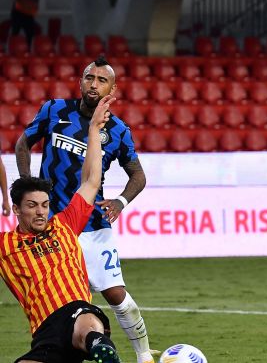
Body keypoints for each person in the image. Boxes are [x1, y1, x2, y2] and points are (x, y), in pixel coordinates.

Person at [14, 56, 155, 363]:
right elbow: (23, 144)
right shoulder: (53, 110)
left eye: (101, 80)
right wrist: (28, 186)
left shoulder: (117, 131)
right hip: (52, 225)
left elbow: (139, 175)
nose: (94, 84)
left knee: (118, 296)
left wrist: (120, 201)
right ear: (80, 82)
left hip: (90, 224)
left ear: (112, 88)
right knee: (53, 302)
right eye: (89, 78)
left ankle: (145, 357)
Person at [1, 95, 122, 363]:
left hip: (79, 314)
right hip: (45, 334)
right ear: (17, 209)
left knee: (90, 330)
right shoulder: (5, 245)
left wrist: (93, 130)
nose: (41, 211)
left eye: (44, 204)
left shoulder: (65, 224)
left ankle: (103, 348)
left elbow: (91, 181)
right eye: (32, 205)